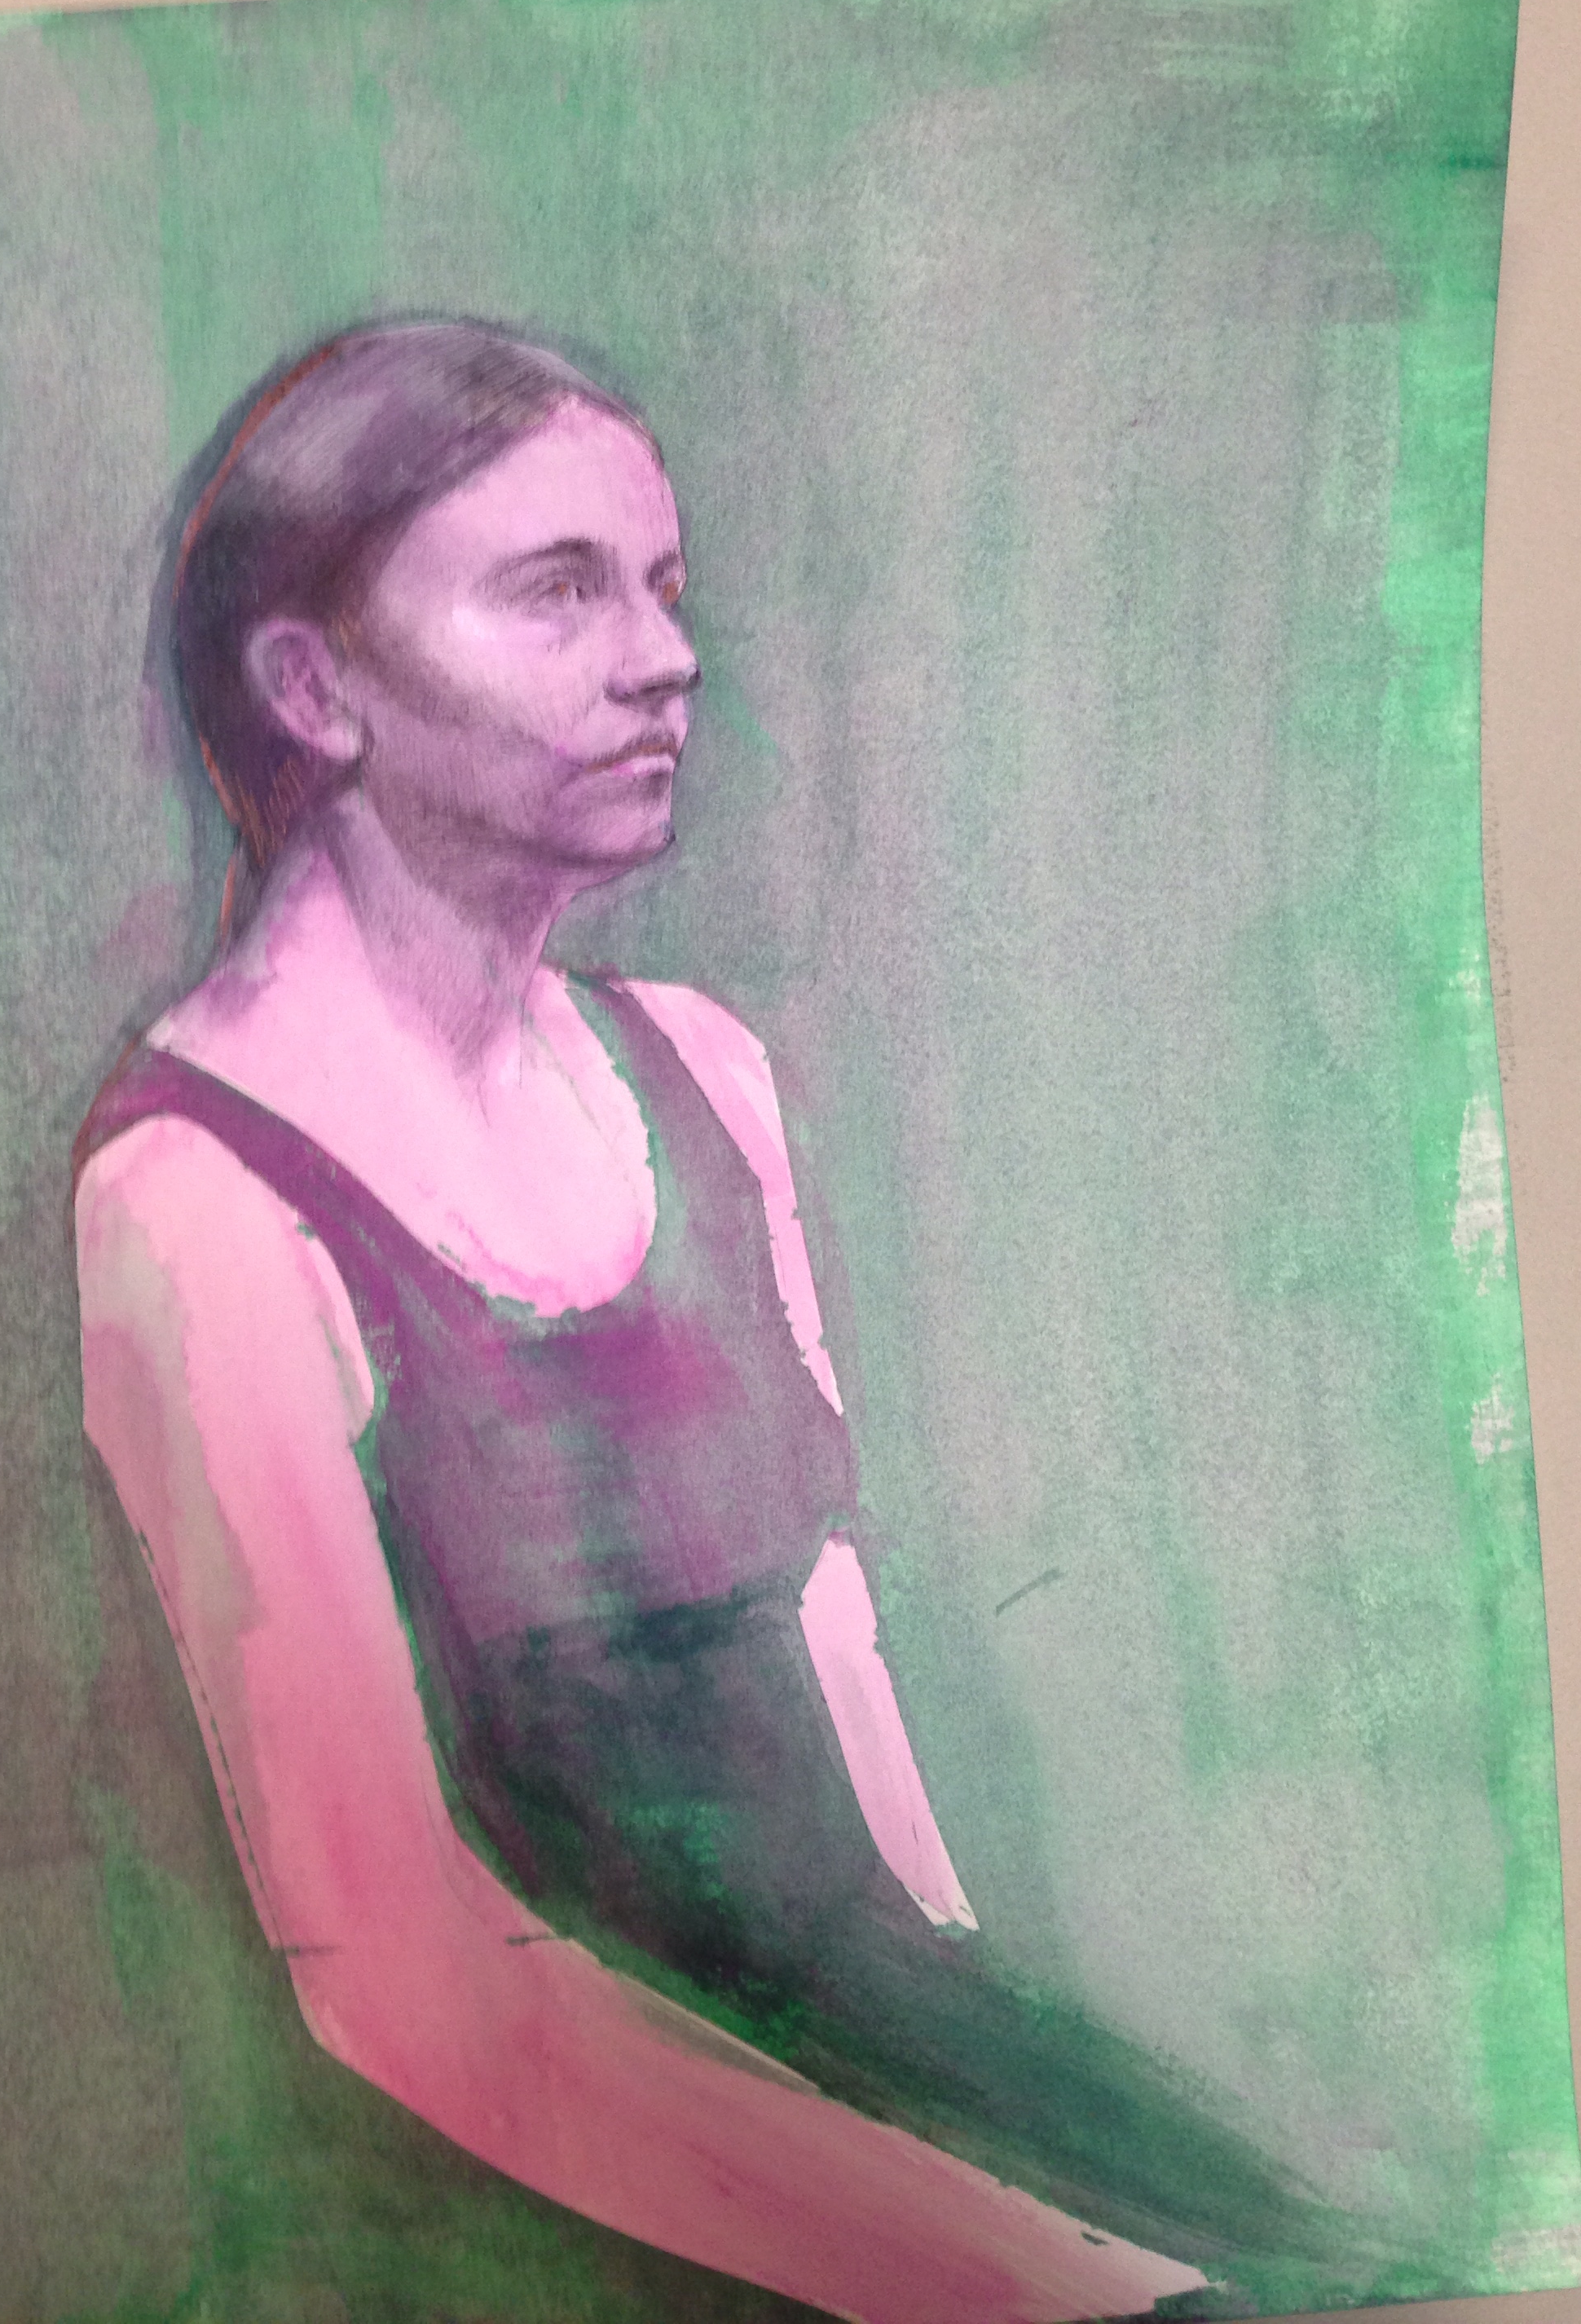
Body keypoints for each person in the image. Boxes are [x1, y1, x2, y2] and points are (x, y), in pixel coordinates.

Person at [74, 321, 1338, 2323]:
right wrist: (1022, 2270)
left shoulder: (702, 1071)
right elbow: (404, 1990)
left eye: (662, 589)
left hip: (882, 2083)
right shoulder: (196, 1200)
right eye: (558, 591)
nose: (664, 658)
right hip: (558, 2180)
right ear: (314, 688)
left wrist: (1010, 2098)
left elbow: (841, 1694)